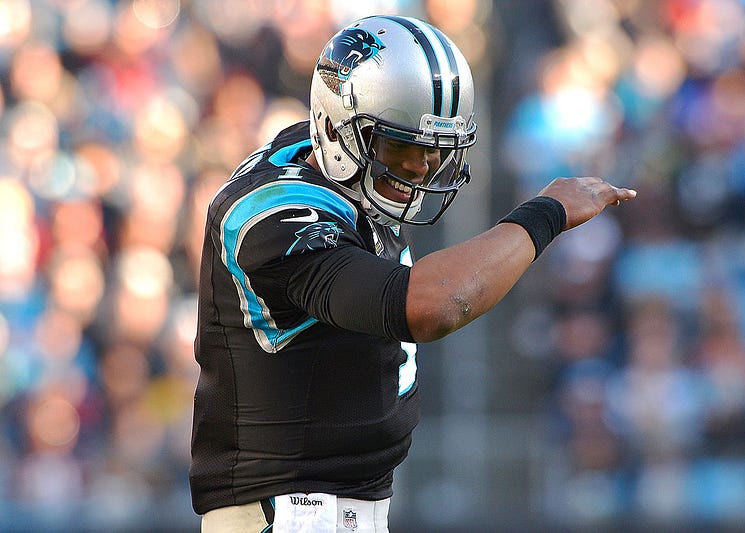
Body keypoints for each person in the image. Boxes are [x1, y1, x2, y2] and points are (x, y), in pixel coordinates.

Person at [190, 14, 636, 532]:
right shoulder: (274, 216)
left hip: (335, 510)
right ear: (334, 129)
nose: (421, 168)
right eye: (402, 148)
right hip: (285, 514)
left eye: (435, 150)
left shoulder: (335, 164)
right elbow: (429, 306)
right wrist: (544, 215)